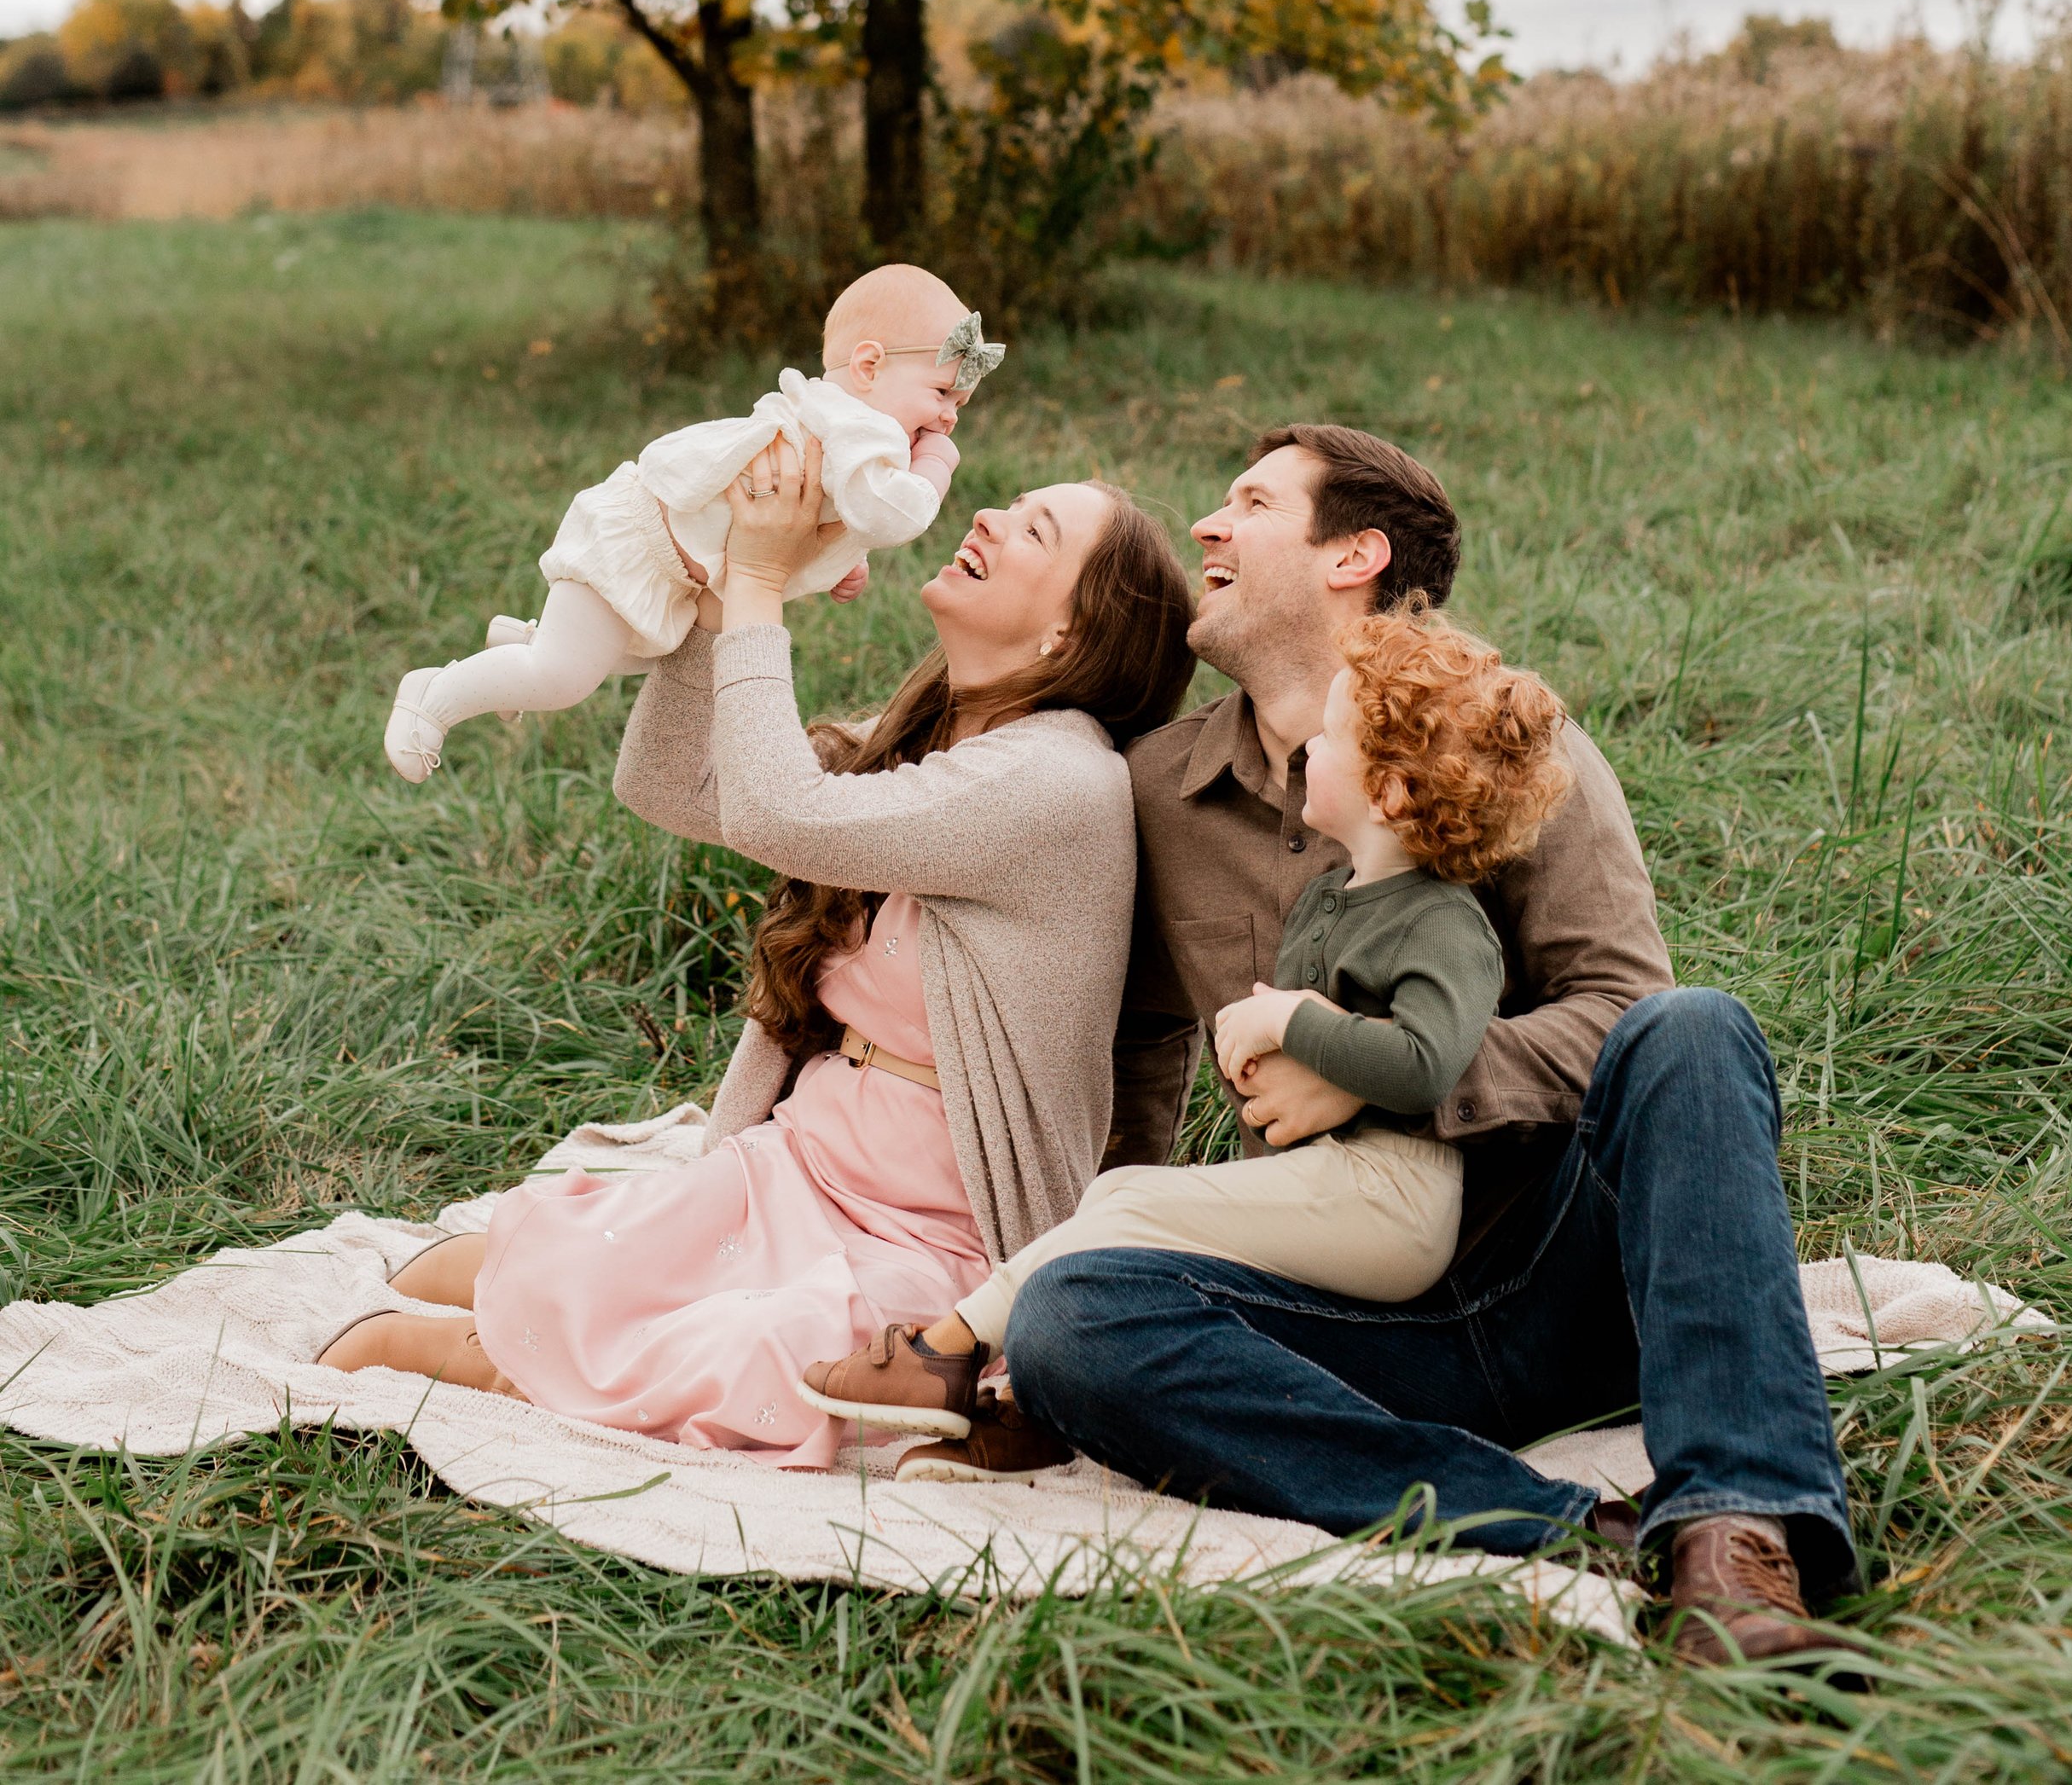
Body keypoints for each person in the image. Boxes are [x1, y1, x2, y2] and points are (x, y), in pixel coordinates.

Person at [988, 424, 1864, 1672]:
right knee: (1074, 1320)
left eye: (1248, 503)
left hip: (1564, 1274)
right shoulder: (1155, 789)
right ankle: (1570, 1525)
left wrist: (1370, 1058)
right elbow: (1137, 1059)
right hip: (1347, 1309)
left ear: (1356, 552)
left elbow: (1624, 1010)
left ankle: (1736, 1535)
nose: (1206, 530)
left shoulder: (1510, 743)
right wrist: (1036, 1276)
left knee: (1695, 1028)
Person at [322, 435, 1196, 1464]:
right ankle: (529, 1319)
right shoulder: (934, 741)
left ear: (1069, 631)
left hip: (931, 1236)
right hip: (796, 1165)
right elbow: (670, 786)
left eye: (1034, 529)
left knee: (764, 1355)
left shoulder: (1055, 783)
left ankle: (493, 1363)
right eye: (1007, 504)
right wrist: (703, 593)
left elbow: (779, 811)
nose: (988, 518)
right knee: (553, 1257)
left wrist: (761, 584)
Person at [798, 606, 1568, 1446]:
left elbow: (1425, 1064)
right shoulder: (1332, 893)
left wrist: (1292, 1020)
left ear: (1390, 791)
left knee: (1138, 1207)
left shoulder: (1444, 923)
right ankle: (1022, 1377)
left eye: (1334, 737)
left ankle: (943, 1350)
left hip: (1394, 1202)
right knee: (1124, 1194)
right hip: (1332, 1182)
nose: (1309, 749)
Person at [385, 261, 996, 781]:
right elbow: (893, 512)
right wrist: (934, 469)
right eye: (943, 394)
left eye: (958, 407)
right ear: (869, 366)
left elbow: (827, 503)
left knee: (618, 659)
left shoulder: (840, 419)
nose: (948, 420)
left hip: (669, 564)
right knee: (562, 678)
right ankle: (431, 697)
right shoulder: (871, 431)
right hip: (643, 546)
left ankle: (522, 644)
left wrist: (845, 557)